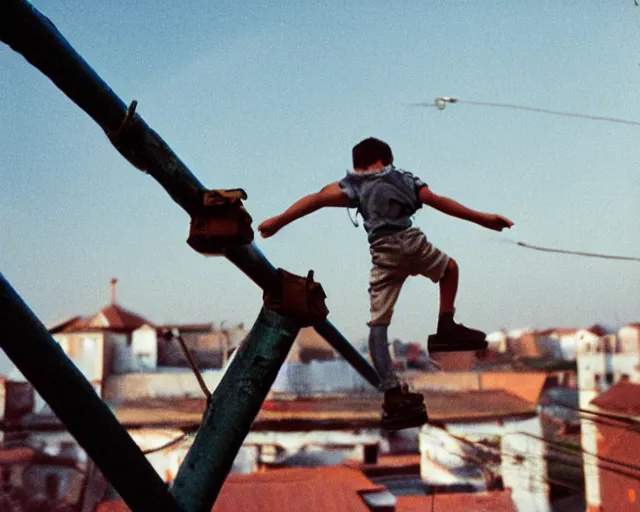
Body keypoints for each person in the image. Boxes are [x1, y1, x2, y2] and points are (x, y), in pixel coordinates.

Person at [258, 137, 513, 429]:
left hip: (384, 254)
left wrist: (278, 221)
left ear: (357, 164)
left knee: (378, 327)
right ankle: (446, 324)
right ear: (386, 158)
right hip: (412, 243)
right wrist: (484, 219)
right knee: (450, 270)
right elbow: (438, 201)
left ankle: (392, 394)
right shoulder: (403, 177)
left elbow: (316, 199)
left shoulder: (352, 185)